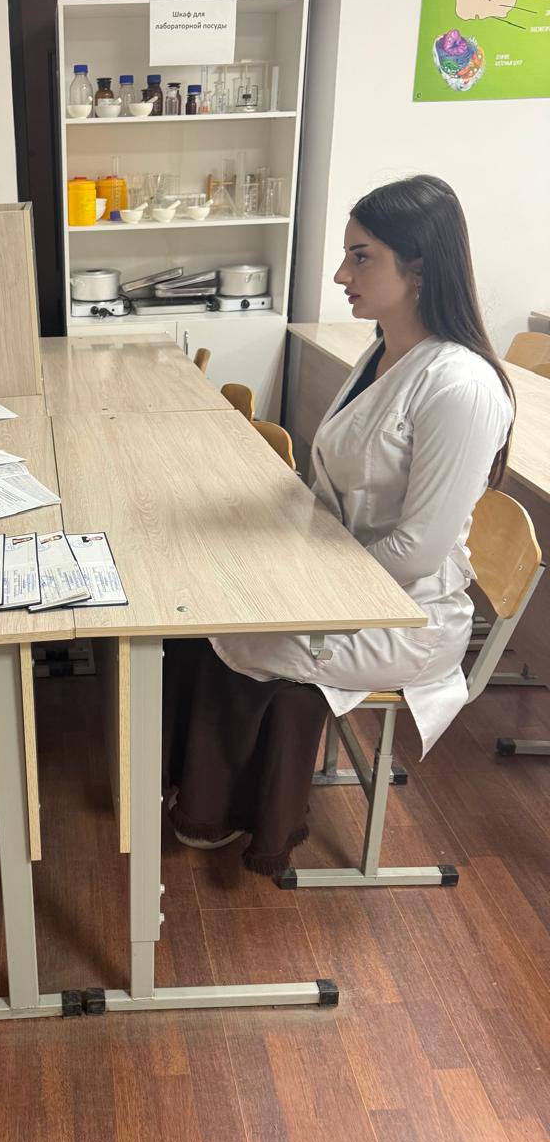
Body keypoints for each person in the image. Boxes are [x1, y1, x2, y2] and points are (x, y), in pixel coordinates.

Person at [166, 174, 515, 873]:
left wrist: (293, 588)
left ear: (419, 268)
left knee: (235, 634)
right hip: (345, 575)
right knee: (200, 603)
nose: (340, 275)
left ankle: (225, 810)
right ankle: (197, 791)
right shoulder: (384, 353)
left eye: (361, 257)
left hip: (404, 614)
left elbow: (416, 552)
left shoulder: (460, 386)